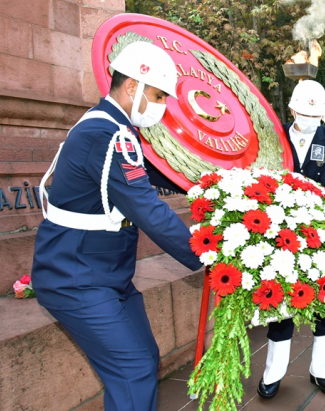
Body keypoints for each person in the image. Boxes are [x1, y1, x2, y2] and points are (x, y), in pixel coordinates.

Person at [31, 42, 202, 411]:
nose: (161, 106)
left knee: (143, 356)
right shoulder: (106, 134)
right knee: (133, 368)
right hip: (75, 276)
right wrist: (206, 253)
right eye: (158, 95)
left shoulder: (114, 128)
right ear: (131, 87)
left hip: (103, 274)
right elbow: (147, 208)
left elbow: (158, 175)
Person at [258, 80, 325, 399]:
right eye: (303, 112)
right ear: (291, 109)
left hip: (320, 231)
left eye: (315, 113)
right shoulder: (272, 135)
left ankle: (322, 368)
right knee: (279, 300)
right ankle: (273, 372)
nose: (309, 119)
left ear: (323, 113)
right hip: (277, 232)